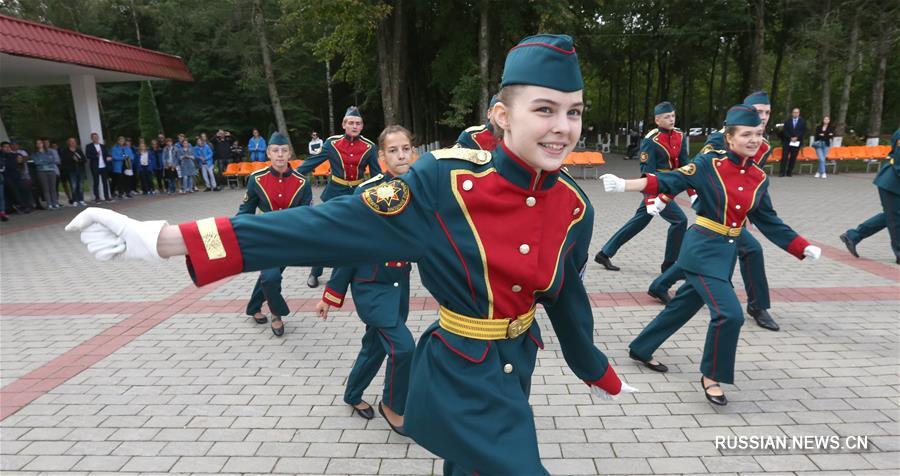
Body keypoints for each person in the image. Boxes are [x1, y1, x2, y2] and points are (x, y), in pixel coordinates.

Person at [66, 34, 637, 476]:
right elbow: (318, 227)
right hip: (461, 367)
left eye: (575, 111)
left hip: (519, 359)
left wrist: (597, 370)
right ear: (503, 114)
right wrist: (163, 239)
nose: (563, 127)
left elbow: (564, 296)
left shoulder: (574, 206)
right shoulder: (442, 180)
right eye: (545, 109)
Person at [600, 104, 821, 406]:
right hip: (702, 249)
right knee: (729, 314)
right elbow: (669, 179)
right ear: (729, 138)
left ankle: (641, 347)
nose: (754, 139)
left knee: (683, 305)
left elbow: (769, 220)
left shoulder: (758, 177)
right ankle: (711, 376)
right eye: (746, 134)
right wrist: (625, 185)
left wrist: (800, 246)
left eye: (758, 134)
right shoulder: (709, 163)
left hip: (725, 253)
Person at [649, 90, 782, 331]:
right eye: (758, 112)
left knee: (704, 256)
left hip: (734, 211)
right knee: (749, 249)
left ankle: (661, 284)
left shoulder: (762, 144)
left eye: (767, 112)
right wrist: (664, 197)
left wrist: (752, 211)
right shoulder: (719, 140)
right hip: (714, 208)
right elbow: (689, 173)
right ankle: (757, 305)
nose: (763, 116)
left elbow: (753, 182)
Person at [315, 125, 416, 435]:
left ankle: (352, 393)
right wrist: (331, 294)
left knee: (375, 345)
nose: (401, 155)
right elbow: (350, 246)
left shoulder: (421, 187)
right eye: (393, 150)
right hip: (371, 285)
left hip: (399, 282)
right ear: (382, 156)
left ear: (413, 151)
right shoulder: (368, 191)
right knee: (403, 348)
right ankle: (392, 404)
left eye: (406, 148)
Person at [594, 101, 689, 273]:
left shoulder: (679, 136)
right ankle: (669, 265)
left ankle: (604, 253)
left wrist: (692, 189)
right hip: (656, 186)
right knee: (680, 221)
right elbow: (647, 172)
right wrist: (651, 198)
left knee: (638, 222)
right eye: (667, 117)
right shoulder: (650, 140)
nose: (671, 119)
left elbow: (685, 165)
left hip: (671, 184)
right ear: (657, 120)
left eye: (673, 115)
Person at [297, 106, 381, 288]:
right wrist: (292, 176)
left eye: (358, 123)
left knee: (359, 234)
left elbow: (376, 176)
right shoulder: (332, 143)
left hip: (358, 195)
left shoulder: (369, 147)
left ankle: (356, 272)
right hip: (335, 193)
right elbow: (311, 163)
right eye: (351, 123)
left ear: (362, 126)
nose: (354, 126)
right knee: (325, 233)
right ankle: (315, 272)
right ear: (343, 124)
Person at [240, 132, 312, 337]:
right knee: (271, 277)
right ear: (268, 153)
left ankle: (253, 307)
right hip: (265, 238)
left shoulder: (301, 182)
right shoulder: (257, 179)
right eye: (275, 151)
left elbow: (307, 215)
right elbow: (246, 210)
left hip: (289, 239)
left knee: (269, 276)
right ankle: (277, 313)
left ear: (289, 153)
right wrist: (238, 232)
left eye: (284, 150)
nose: (280, 155)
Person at [840, 128, 900, 264]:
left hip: (894, 184)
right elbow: (899, 162)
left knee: (890, 216)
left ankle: (853, 236)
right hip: (892, 183)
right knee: (895, 219)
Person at [32, 139, 61, 209]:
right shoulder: (35, 153)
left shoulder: (49, 151)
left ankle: (55, 203)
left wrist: (43, 160)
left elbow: (53, 160)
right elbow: (37, 162)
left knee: (53, 188)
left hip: (51, 170)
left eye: (40, 143)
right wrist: (46, 160)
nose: (39, 144)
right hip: (41, 172)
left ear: (43, 144)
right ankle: (49, 204)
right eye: (37, 143)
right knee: (46, 188)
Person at [85, 132, 112, 202]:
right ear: (92, 139)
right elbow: (88, 156)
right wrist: (96, 156)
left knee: (105, 182)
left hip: (103, 166)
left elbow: (106, 154)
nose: (96, 138)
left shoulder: (102, 146)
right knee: (96, 182)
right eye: (94, 137)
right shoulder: (89, 146)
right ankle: (97, 197)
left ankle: (107, 197)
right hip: (95, 167)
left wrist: (109, 157)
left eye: (97, 137)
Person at [60, 137, 87, 206]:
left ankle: (81, 200)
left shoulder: (78, 150)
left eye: (74, 141)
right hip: (71, 171)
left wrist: (78, 160)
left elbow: (84, 160)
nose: (73, 143)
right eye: (71, 141)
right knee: (74, 186)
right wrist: (72, 159)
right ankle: (75, 200)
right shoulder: (65, 151)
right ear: (68, 143)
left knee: (80, 186)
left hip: (80, 170)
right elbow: (63, 161)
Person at [780, 107, 806, 177]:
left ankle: (789, 172)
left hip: (797, 142)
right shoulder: (787, 121)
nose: (795, 114)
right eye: (794, 112)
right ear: (792, 113)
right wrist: (790, 138)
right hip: (787, 141)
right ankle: (782, 172)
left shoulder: (802, 121)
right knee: (784, 157)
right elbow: (784, 131)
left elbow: (803, 131)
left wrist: (797, 137)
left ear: (799, 113)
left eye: (797, 112)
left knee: (793, 157)